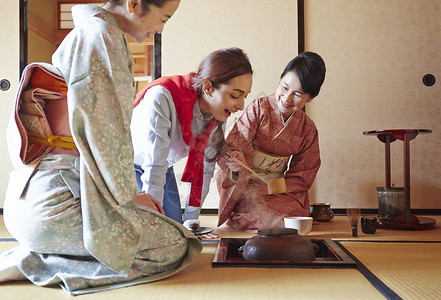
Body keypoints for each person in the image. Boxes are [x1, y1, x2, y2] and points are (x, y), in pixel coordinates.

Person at [0, 0, 203, 295]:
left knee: (168, 233)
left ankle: (41, 254)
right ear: (134, 4)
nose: (159, 30)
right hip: (58, 208)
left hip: (31, 201)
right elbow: (104, 134)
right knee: (176, 245)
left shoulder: (89, 33)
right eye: (164, 19)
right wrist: (130, 197)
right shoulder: (102, 38)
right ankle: (38, 263)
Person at [131, 47, 253, 224]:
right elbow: (154, 165)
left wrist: (191, 223)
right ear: (208, 87)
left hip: (163, 167)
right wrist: (153, 222)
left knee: (177, 227)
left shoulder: (218, 112)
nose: (241, 106)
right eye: (235, 96)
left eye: (244, 97)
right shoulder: (162, 97)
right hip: (127, 166)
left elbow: (205, 170)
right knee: (156, 225)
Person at [216, 52, 326, 230]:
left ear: (310, 98)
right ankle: (240, 214)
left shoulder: (307, 128)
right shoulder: (259, 109)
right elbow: (235, 145)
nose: (287, 98)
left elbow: (303, 174)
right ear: (280, 79)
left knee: (295, 216)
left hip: (277, 189)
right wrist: (236, 161)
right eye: (284, 87)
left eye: (298, 94)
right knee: (273, 219)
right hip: (247, 186)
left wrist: (270, 187)